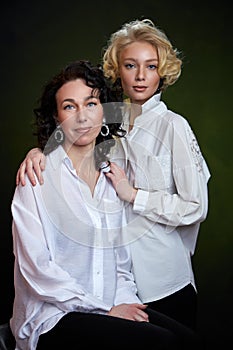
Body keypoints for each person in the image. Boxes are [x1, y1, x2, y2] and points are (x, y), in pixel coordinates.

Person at [16, 19, 211, 331]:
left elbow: (196, 207)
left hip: (163, 281)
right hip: (115, 287)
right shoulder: (110, 126)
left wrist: (134, 195)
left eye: (151, 66)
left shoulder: (174, 126)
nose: (141, 76)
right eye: (131, 65)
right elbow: (73, 151)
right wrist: (38, 152)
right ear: (117, 70)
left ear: (163, 71)